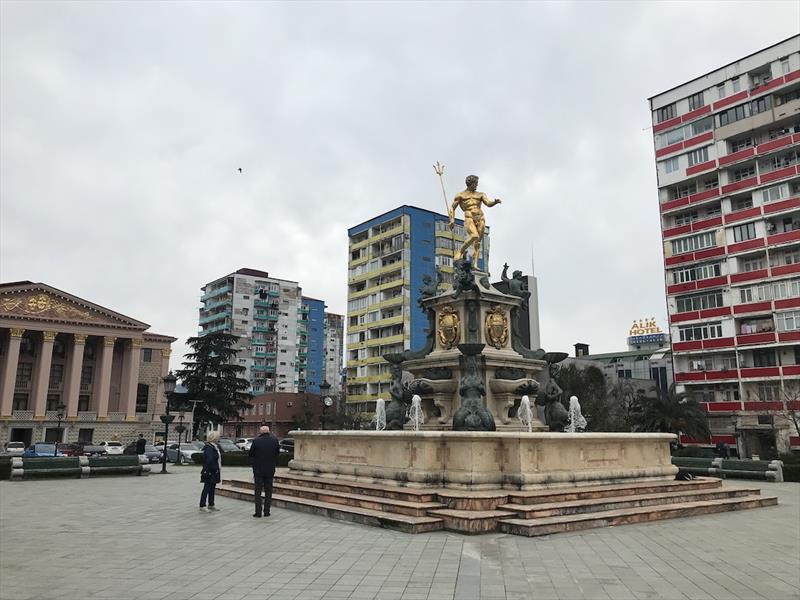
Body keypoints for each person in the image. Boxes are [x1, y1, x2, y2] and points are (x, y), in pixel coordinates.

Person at [448, 174, 502, 263]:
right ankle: (460, 251)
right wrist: (452, 220)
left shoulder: (480, 194)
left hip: (480, 218)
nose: (477, 185)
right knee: (474, 235)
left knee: (477, 242)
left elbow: (488, 203)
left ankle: (475, 264)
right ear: (470, 183)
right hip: (469, 217)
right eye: (475, 183)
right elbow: (452, 208)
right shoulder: (460, 195)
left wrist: (494, 202)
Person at [248, 425, 280, 518]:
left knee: (258, 491)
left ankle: (258, 512)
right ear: (269, 431)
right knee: (268, 490)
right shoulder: (275, 441)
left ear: (260, 432)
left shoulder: (256, 441)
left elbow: (251, 455)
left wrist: (253, 465)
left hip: (258, 470)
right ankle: (267, 511)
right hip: (270, 469)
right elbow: (277, 454)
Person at [199, 431, 222, 512]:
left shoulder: (215, 447)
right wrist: (214, 468)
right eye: (218, 437)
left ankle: (211, 504)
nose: (219, 438)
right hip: (209, 471)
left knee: (212, 488)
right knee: (207, 488)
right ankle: (202, 505)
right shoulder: (209, 447)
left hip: (215, 470)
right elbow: (209, 460)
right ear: (214, 438)